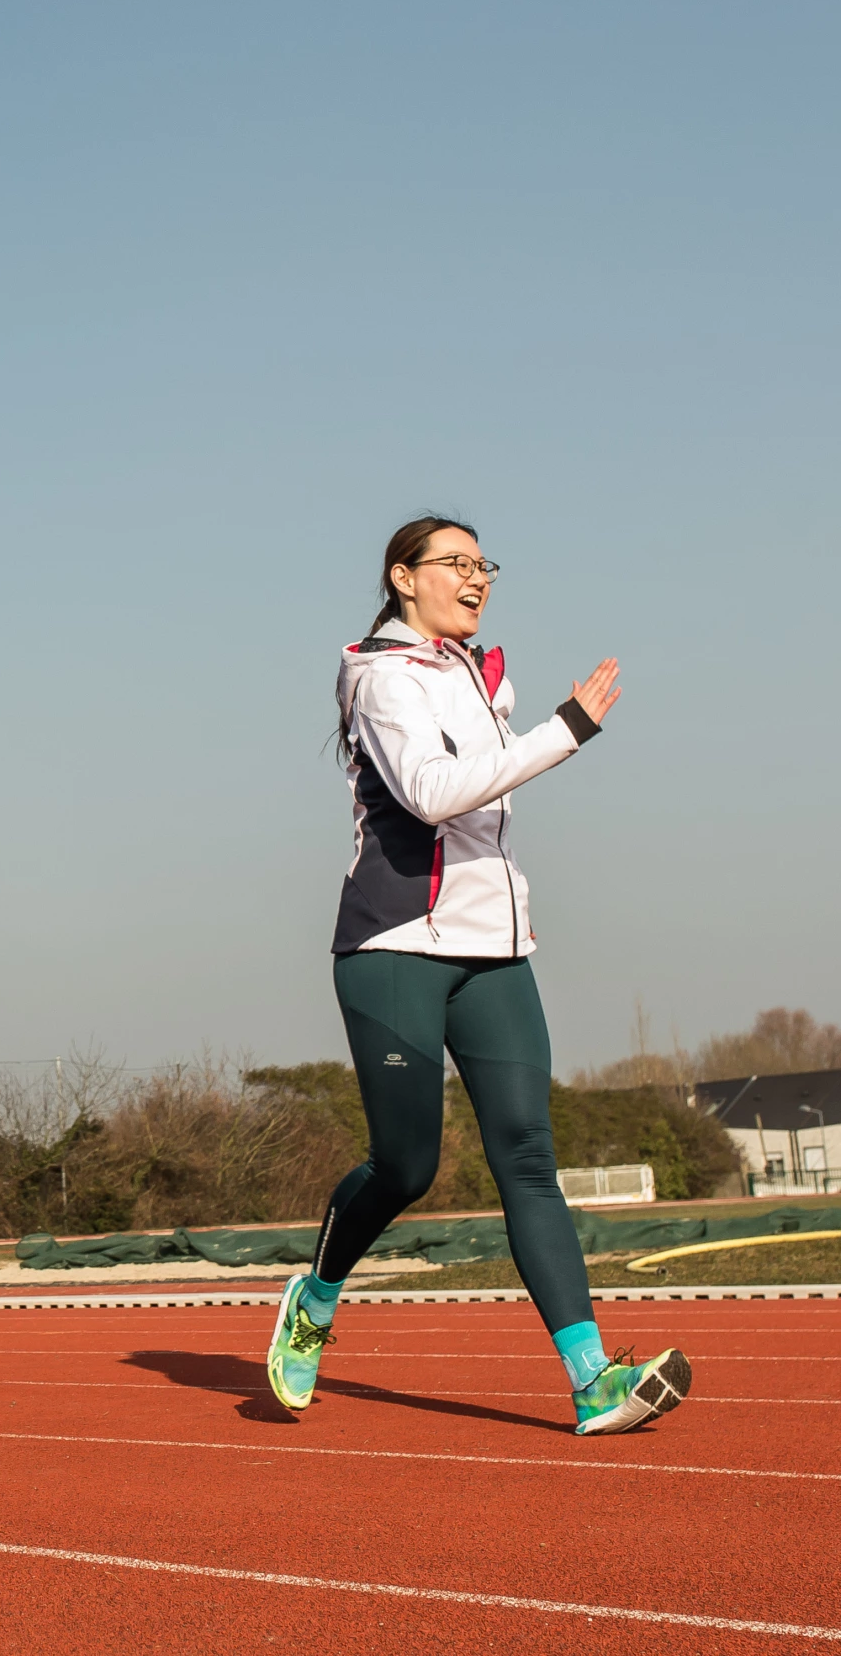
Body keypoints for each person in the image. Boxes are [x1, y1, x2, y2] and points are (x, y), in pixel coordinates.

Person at [266, 515, 691, 1437]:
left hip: (494, 948)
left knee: (529, 1159)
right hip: (394, 946)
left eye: (483, 565)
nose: (475, 578)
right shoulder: (379, 675)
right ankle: (316, 1296)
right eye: (454, 563)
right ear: (402, 577)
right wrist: (566, 730)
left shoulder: (473, 670)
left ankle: (592, 1381)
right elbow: (429, 792)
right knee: (409, 1165)